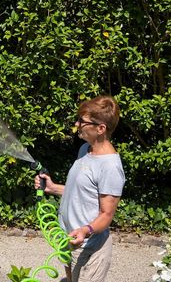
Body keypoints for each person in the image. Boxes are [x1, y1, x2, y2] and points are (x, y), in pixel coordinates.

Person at [34, 95, 126, 282]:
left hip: (88, 248)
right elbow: (80, 191)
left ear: (101, 128)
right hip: (69, 240)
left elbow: (106, 215)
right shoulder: (85, 149)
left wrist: (85, 230)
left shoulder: (110, 167)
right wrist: (52, 188)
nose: (77, 124)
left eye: (82, 121)